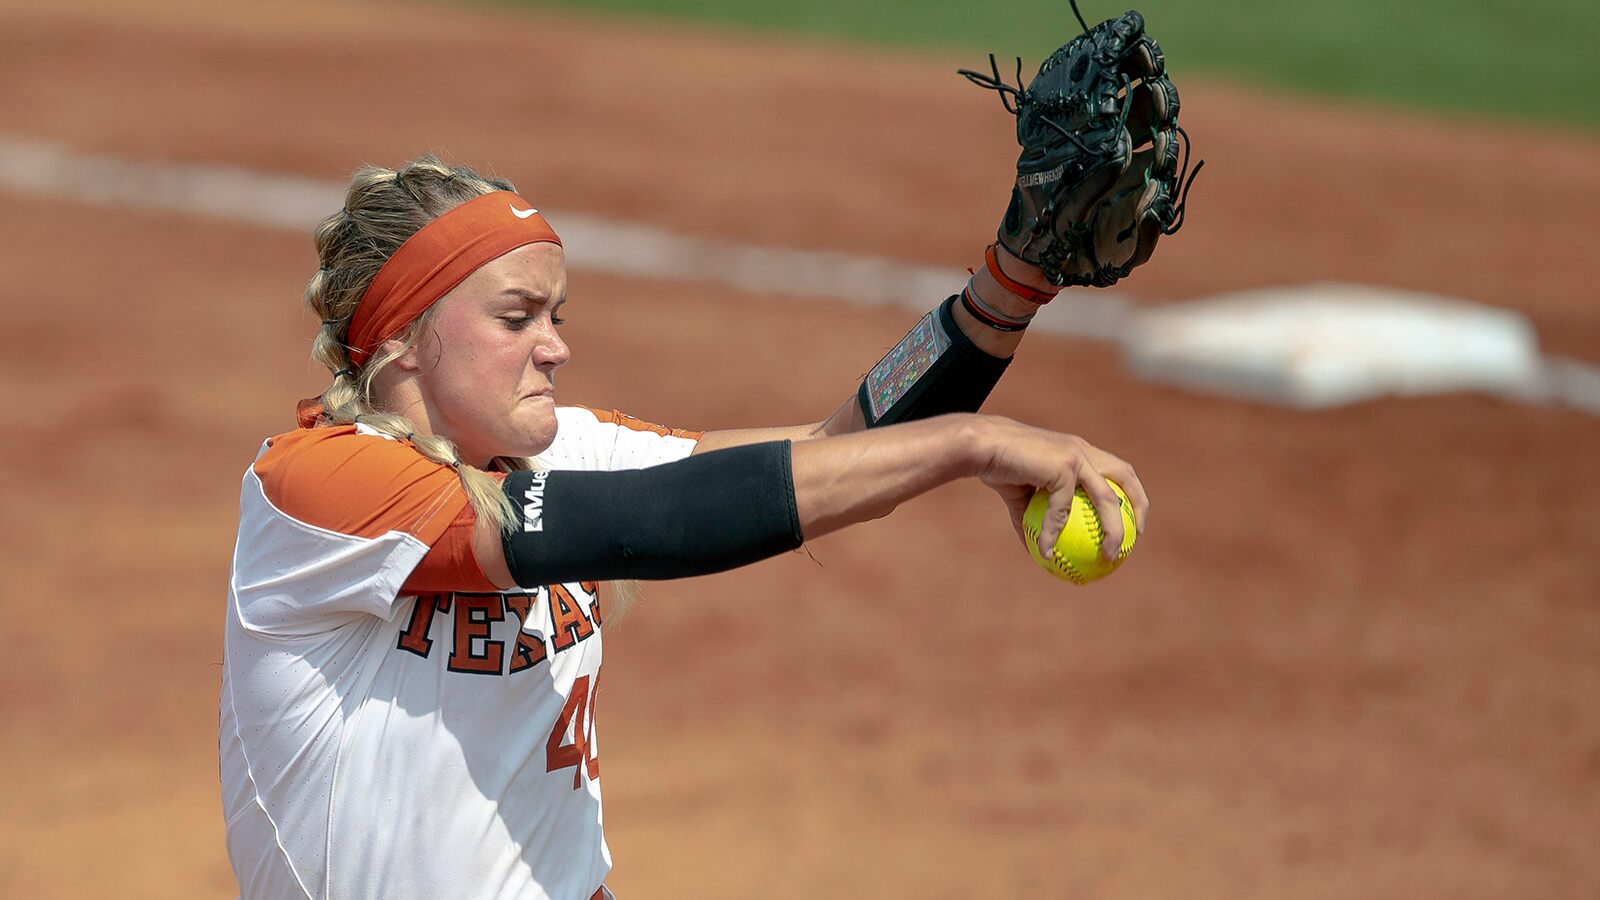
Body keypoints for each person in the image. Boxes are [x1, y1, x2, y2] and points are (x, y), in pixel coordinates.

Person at [219, 154, 1148, 899]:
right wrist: (971, 445)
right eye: (517, 317)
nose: (557, 345)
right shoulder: (319, 487)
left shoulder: (558, 452)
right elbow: (642, 523)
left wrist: (1006, 290)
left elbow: (842, 447)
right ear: (401, 338)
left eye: (556, 313)